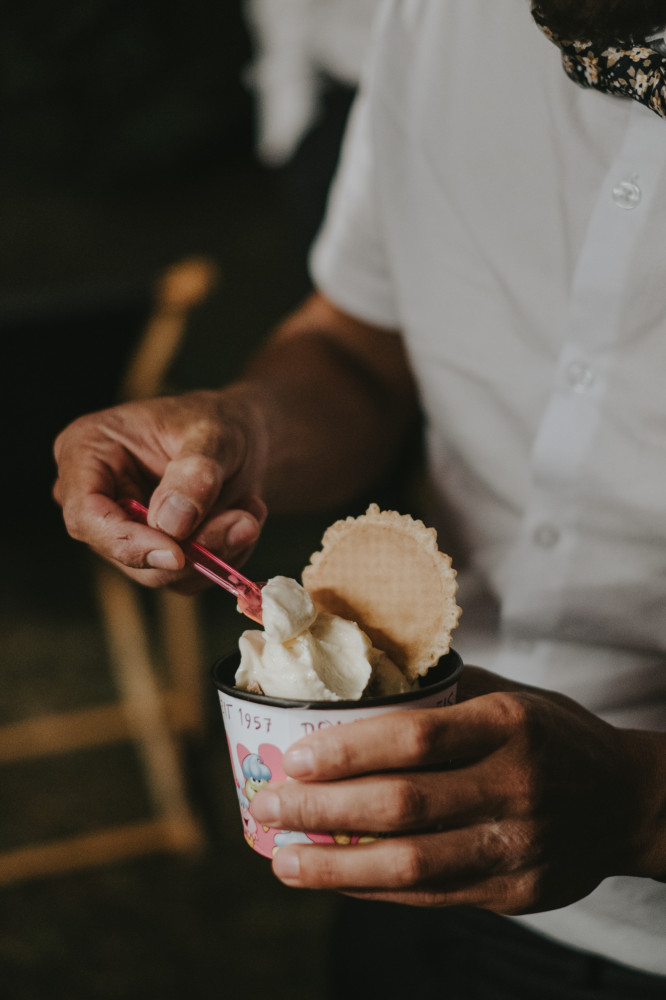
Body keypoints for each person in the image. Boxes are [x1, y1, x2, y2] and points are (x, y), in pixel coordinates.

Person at [53, 1, 666, 995]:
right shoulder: (440, 17)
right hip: (407, 864)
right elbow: (359, 344)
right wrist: (249, 425)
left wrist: (642, 807)